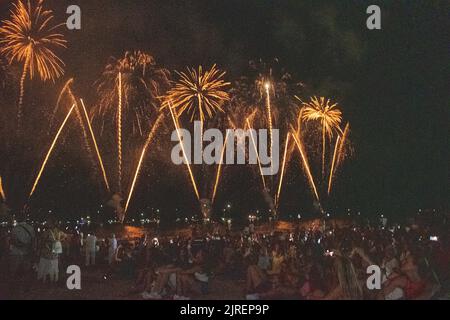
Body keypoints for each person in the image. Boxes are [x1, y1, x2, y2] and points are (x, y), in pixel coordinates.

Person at [8, 211, 36, 295]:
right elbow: (34, 241)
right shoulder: (30, 228)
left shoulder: (15, 229)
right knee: (26, 272)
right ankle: (26, 288)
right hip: (27, 253)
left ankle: (14, 289)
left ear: (17, 218)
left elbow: (13, 241)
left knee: (14, 272)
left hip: (16, 253)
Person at [37, 218, 64, 284]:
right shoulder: (59, 232)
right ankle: (55, 279)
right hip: (55, 253)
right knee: (54, 266)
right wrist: (59, 241)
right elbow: (65, 237)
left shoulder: (47, 232)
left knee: (45, 266)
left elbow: (42, 242)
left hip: (47, 253)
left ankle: (45, 279)